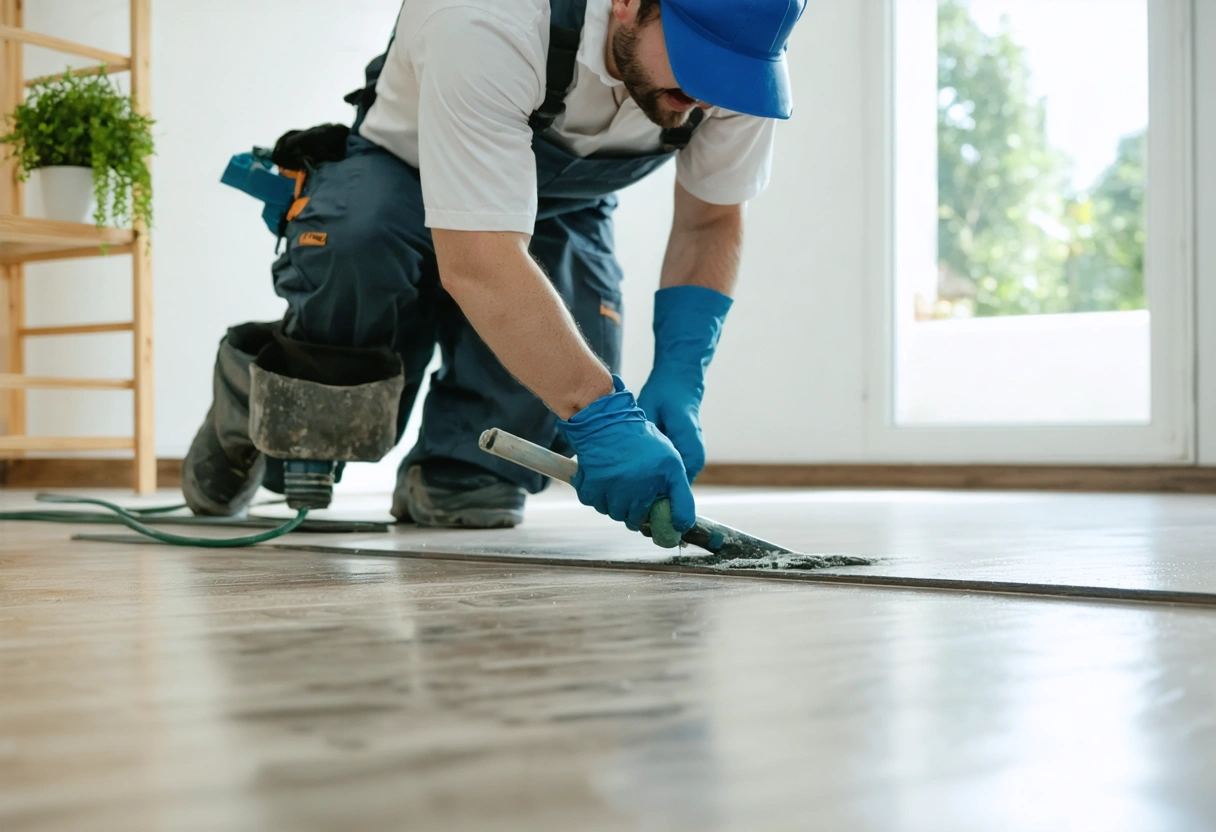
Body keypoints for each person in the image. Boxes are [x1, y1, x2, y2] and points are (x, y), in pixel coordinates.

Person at [183, 0, 805, 545]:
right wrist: (601, 414)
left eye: (730, 72)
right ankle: (249, 407)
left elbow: (710, 221)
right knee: (357, 248)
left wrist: (681, 374)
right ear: (627, 1)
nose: (709, 91)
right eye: (696, 58)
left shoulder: (737, 69)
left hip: (558, 205)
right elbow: (480, 262)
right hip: (400, 176)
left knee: (509, 442)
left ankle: (455, 469)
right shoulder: (492, 15)